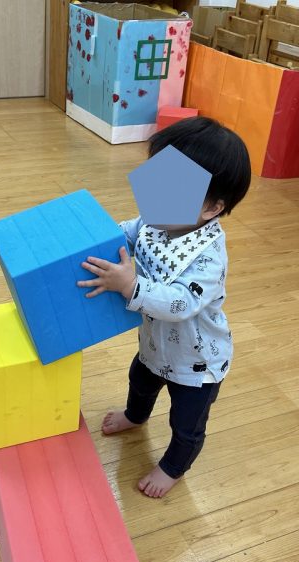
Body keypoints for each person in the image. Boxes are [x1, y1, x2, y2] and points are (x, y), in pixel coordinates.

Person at [78, 117, 251, 498]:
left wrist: (130, 285)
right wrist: (95, 236)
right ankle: (136, 415)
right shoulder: (156, 221)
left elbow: (180, 302)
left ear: (211, 208)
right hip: (156, 346)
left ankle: (174, 467)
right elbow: (127, 232)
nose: (152, 194)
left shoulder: (208, 257)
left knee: (186, 423)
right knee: (140, 381)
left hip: (196, 363)